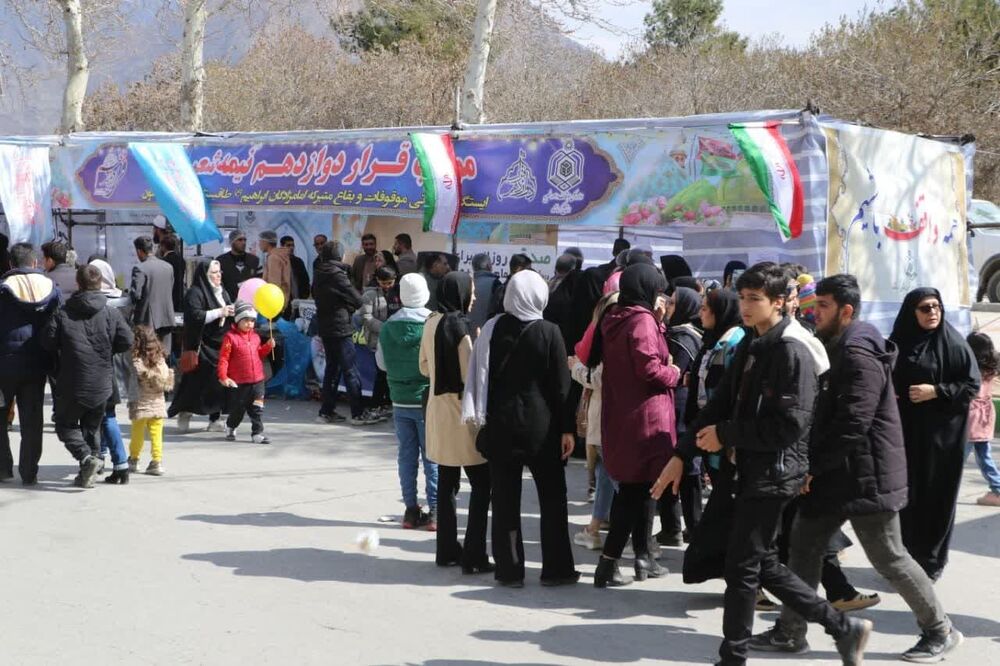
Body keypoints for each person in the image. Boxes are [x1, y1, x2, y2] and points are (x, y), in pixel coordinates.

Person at [652, 263, 871, 666]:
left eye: (755, 299)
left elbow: (789, 425)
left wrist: (726, 435)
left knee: (742, 567)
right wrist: (682, 453)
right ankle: (843, 627)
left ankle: (733, 656)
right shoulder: (754, 341)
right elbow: (720, 404)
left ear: (780, 302)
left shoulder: (792, 349)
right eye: (743, 298)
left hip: (775, 473)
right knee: (759, 562)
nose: (746, 306)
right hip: (746, 469)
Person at [752, 274, 963, 663]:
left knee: (890, 557)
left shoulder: (857, 352)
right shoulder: (839, 344)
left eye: (824, 306)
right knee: (804, 546)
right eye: (815, 305)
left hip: (867, 475)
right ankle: (790, 632)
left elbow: (854, 422)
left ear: (846, 310)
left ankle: (941, 630)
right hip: (838, 474)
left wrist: (813, 467)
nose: (815, 313)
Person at [463, 269, 579, 588]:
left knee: (504, 501)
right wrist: (567, 430)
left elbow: (483, 376)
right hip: (543, 430)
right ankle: (557, 569)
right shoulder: (549, 331)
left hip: (501, 425)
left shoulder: (492, 328)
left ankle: (509, 570)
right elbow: (561, 387)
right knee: (553, 499)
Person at [589, 263, 677, 587]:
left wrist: (659, 322)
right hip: (645, 417)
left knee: (641, 489)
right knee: (634, 492)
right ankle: (608, 564)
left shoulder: (616, 317)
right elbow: (649, 368)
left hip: (624, 414)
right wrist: (674, 374)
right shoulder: (641, 320)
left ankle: (643, 557)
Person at [890, 287, 980, 581]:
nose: (933, 312)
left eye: (936, 306)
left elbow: (971, 385)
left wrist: (937, 391)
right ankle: (904, 560)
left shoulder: (954, 344)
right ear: (911, 312)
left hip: (943, 439)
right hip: (905, 435)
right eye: (925, 308)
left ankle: (930, 562)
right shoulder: (899, 343)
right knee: (905, 496)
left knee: (936, 496)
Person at [420, 271, 492, 572]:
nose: (474, 297)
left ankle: (447, 550)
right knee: (482, 484)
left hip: (438, 412)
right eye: (471, 291)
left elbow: (424, 367)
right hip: (463, 414)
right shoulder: (462, 328)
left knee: (447, 483)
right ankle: (474, 554)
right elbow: (470, 375)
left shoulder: (430, 322)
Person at [43, 265, 134, 489]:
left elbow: (48, 342)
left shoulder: (63, 313)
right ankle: (89, 467)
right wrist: (108, 349)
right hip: (102, 382)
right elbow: (127, 340)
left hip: (72, 381)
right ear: (100, 283)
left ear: (78, 283)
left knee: (65, 424)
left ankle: (86, 459)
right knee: (92, 428)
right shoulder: (111, 312)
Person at [377, 273, 438, 529]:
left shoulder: (388, 326)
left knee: (406, 456)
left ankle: (411, 511)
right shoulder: (432, 323)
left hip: (399, 399)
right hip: (426, 399)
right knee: (432, 456)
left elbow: (382, 363)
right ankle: (435, 510)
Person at [0, 243, 60, 485]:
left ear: (11, 264)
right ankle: (29, 471)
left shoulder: (3, 289)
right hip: (37, 364)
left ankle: (3, 468)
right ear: (34, 262)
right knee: (32, 419)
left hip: (4, 364)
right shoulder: (51, 289)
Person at [570, 292, 619, 551]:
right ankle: (595, 528)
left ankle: (637, 537)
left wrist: (575, 368)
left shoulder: (612, 340)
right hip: (607, 418)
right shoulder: (615, 336)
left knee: (615, 477)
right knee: (605, 475)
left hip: (608, 418)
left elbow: (598, 378)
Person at [658, 286, 704, 546]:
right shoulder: (679, 333)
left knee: (686, 470)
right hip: (678, 409)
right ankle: (674, 527)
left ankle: (690, 528)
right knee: (677, 468)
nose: (668, 307)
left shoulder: (683, 337)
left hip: (680, 410)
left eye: (673, 303)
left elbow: (675, 373)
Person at [313, 241, 377, 426]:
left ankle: (326, 411)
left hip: (325, 327)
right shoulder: (338, 275)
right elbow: (357, 300)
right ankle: (358, 413)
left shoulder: (319, 273)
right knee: (350, 369)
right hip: (341, 327)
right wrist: (347, 306)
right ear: (340, 256)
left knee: (332, 369)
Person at [168, 260, 234, 433]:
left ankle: (215, 418)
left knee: (219, 383)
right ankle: (185, 412)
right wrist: (220, 312)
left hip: (219, 345)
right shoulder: (195, 293)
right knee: (196, 384)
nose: (218, 275)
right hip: (201, 346)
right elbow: (195, 316)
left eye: (219, 272)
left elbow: (227, 308)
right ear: (205, 275)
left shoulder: (222, 291)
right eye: (214, 273)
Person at [89, 258, 133, 485]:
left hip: (96, 366)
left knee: (102, 417)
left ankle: (107, 458)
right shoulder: (122, 300)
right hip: (114, 362)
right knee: (108, 414)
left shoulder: (93, 303)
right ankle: (109, 458)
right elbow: (126, 338)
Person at [218, 301, 275, 445]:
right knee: (238, 409)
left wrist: (268, 347)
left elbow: (259, 354)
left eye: (252, 321)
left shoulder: (255, 337)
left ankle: (257, 433)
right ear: (238, 321)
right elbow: (224, 358)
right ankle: (231, 426)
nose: (250, 324)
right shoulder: (230, 337)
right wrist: (223, 376)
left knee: (257, 408)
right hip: (240, 382)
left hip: (258, 380)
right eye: (246, 320)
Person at [127, 325, 174, 477]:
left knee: (137, 433)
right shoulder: (160, 360)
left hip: (140, 404)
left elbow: (135, 377)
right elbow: (165, 378)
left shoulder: (136, 361)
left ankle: (134, 459)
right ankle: (156, 462)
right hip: (158, 403)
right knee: (156, 434)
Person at [360, 266, 401, 420]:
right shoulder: (369, 295)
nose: (387, 286)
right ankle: (375, 404)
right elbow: (366, 318)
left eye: (390, 283)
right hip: (379, 339)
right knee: (381, 373)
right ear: (377, 280)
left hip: (396, 338)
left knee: (392, 374)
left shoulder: (400, 293)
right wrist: (385, 328)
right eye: (384, 283)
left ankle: (388, 403)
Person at [966, 332, 1000, 506]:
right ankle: (997, 489)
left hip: (972, 414)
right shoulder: (992, 367)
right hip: (986, 413)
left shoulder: (971, 368)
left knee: (958, 456)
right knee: (983, 454)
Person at [130, 235, 176, 351]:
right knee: (164, 354)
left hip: (147, 321)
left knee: (147, 355)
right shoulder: (168, 267)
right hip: (167, 318)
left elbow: (136, 295)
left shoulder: (140, 268)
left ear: (139, 251)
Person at [217, 230, 260, 301]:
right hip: (228, 302)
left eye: (245, 240)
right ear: (232, 242)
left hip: (250, 301)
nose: (243, 243)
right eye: (240, 240)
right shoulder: (221, 261)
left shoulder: (254, 260)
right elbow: (217, 284)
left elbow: (260, 281)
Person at [489, 253, 532, 318]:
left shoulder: (501, 289)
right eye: (528, 271)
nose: (530, 274)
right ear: (519, 269)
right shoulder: (502, 291)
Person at [469, 253, 501, 334]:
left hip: (468, 334)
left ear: (473, 267)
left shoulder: (467, 283)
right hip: (487, 335)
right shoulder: (496, 284)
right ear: (489, 266)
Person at [259, 230, 292, 308]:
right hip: (282, 300)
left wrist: (269, 304)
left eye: (260, 241)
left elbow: (274, 284)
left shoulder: (273, 258)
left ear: (266, 242)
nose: (259, 244)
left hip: (274, 303)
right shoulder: (281, 256)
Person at [158, 233, 186, 312]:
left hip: (168, 297)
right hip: (180, 295)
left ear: (163, 247)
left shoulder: (163, 262)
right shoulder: (181, 260)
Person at [280, 235, 311, 301]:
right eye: (288, 245)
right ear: (282, 247)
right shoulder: (278, 262)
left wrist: (304, 295)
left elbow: (305, 280)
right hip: (283, 299)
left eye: (293, 245)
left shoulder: (298, 262)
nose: (291, 248)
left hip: (298, 299)